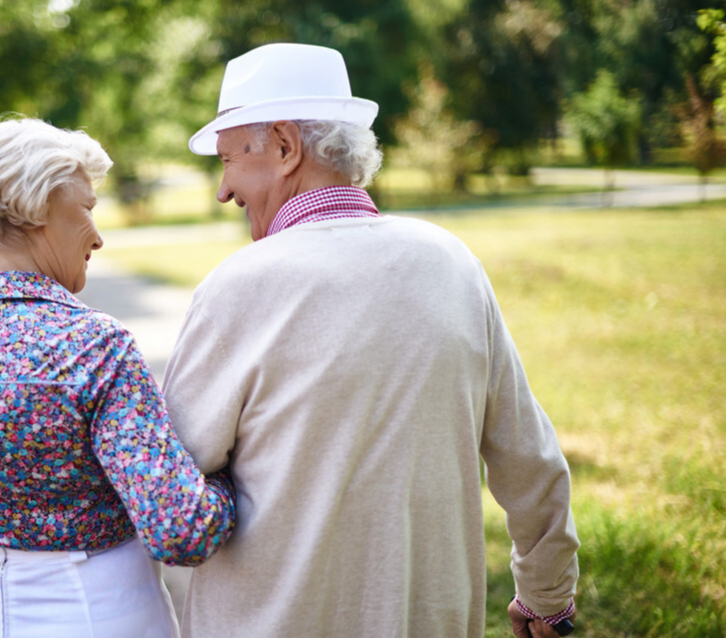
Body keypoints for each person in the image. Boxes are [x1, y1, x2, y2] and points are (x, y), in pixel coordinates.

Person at [161, 43, 579, 638]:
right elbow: (530, 459)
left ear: (284, 146)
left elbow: (167, 477)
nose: (224, 190)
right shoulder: (452, 263)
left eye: (228, 160)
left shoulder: (238, 287)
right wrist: (547, 597)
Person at [0, 118, 234, 638]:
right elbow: (180, 529)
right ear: (37, 208)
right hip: (94, 608)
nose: (97, 236)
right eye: (87, 210)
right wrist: (232, 486)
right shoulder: (93, 345)